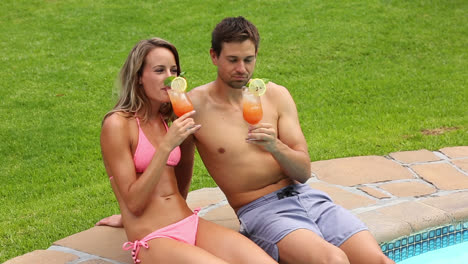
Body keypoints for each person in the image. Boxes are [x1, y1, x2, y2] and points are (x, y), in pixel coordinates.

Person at [99, 18, 396, 263]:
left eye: (173, 71)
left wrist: (274, 146)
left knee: (379, 261)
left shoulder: (270, 96)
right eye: (232, 60)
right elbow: (151, 190)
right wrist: (131, 213)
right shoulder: (179, 111)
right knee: (332, 260)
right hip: (241, 214)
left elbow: (303, 172)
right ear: (214, 57)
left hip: (292, 200)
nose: (242, 68)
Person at [99, 37, 277, 264]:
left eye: (174, 70)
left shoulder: (170, 119)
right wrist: (166, 147)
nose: (170, 77)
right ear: (139, 77)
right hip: (154, 238)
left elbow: (180, 177)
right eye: (159, 70)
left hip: (189, 223)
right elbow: (133, 203)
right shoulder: (118, 125)